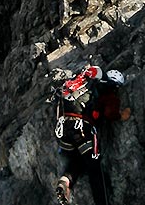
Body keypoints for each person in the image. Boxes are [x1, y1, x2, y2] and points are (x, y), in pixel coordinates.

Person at [54, 65, 131, 205]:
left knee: (79, 160)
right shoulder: (109, 93)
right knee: (94, 169)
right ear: (116, 85)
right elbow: (109, 113)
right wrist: (121, 115)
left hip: (63, 131)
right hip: (83, 130)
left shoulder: (86, 86)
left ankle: (65, 180)